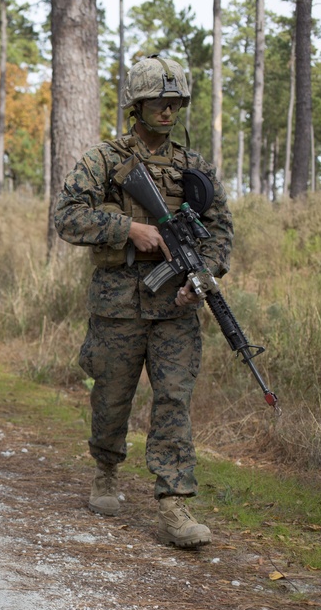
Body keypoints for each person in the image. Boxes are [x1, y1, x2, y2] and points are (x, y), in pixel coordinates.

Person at [54, 55, 233, 549]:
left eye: (175, 103)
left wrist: (201, 275)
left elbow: (220, 232)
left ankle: (174, 504)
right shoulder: (105, 161)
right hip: (117, 306)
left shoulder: (195, 169)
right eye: (159, 101)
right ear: (137, 105)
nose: (168, 111)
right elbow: (66, 217)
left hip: (176, 307)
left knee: (174, 399)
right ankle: (107, 469)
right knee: (112, 398)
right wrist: (128, 229)